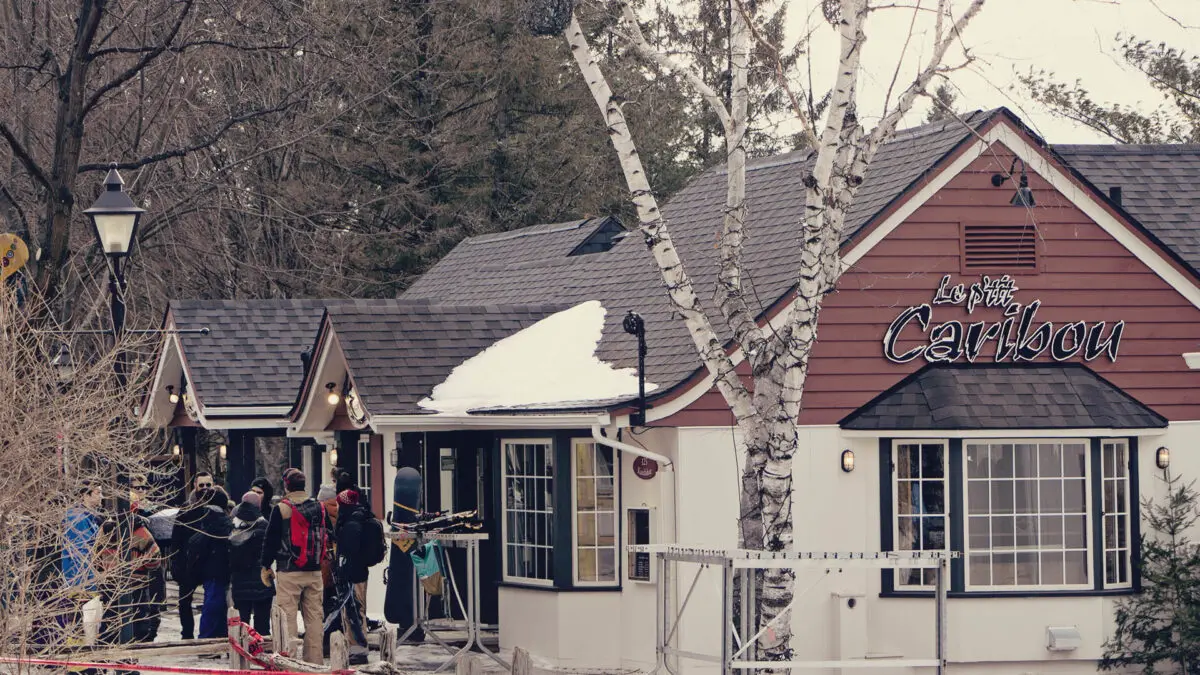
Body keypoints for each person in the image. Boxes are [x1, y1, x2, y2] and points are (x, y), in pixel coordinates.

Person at [261, 469, 330, 665]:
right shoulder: (319, 507)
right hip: (315, 571)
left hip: (289, 571)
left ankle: (289, 662)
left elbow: (271, 540)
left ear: (286, 486)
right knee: (315, 618)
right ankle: (314, 663)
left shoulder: (282, 508)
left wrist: (266, 565)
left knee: (287, 619)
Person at [169, 475, 214, 640]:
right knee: (184, 602)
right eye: (201, 484)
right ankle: (187, 633)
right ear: (195, 485)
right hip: (188, 563)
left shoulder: (218, 506)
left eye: (208, 484)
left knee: (212, 602)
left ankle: (209, 634)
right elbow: (176, 538)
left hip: (209, 562)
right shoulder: (186, 509)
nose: (205, 488)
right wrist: (175, 561)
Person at [329, 488, 370, 664]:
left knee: (354, 611)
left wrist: (342, 569)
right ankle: (355, 646)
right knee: (355, 610)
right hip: (359, 572)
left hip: (353, 574)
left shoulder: (351, 525)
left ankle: (357, 648)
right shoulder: (359, 519)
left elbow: (349, 552)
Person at [187, 486, 232, 639]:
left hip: (210, 569)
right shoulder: (225, 521)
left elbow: (195, 542)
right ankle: (218, 637)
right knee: (220, 606)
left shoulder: (204, 518)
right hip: (222, 568)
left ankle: (208, 639)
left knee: (212, 605)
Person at [230, 491, 273, 635]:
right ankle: (261, 650)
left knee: (242, 622)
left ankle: (241, 650)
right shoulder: (264, 525)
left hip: (239, 581)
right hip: (260, 580)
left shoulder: (233, 524)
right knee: (262, 623)